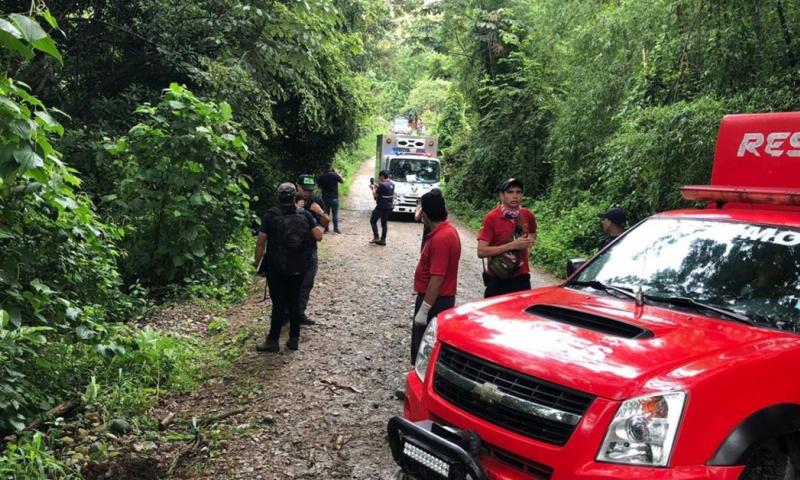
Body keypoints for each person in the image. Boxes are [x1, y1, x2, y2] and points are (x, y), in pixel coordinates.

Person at [254, 182, 322, 352]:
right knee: (293, 300)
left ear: (278, 197)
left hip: (276, 266)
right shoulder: (305, 214)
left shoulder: (270, 216)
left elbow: (261, 242)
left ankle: (272, 341)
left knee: (278, 303)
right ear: (294, 197)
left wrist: (258, 264)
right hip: (299, 265)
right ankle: (293, 339)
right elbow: (318, 236)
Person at [411, 191, 461, 363]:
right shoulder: (449, 230)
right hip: (439, 299)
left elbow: (437, 278)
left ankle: (419, 385)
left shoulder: (441, 239)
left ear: (424, 214)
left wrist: (424, 309)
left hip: (435, 300)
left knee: (425, 346)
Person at [477, 178, 537, 298]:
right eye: (510, 192)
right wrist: (512, 245)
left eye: (518, 192)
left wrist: (526, 250)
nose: (515, 196)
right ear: (502, 196)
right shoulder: (492, 218)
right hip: (498, 278)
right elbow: (481, 251)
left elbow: (533, 233)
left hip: (521, 278)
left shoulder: (527, 215)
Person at [296, 174, 330, 325]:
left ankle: (300, 313)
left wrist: (320, 212)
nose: (307, 193)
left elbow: (326, 223)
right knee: (291, 283)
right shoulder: (291, 197)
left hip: (310, 247)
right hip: (292, 248)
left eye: (310, 190)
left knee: (307, 282)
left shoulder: (317, 200)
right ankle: (284, 314)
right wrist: (297, 209)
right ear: (298, 187)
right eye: (304, 190)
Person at [369, 170, 395, 246]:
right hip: (388, 207)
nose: (380, 178)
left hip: (380, 207)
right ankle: (383, 240)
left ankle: (376, 237)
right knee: (384, 224)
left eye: (380, 177)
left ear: (382, 176)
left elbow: (375, 196)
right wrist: (377, 186)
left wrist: (373, 189)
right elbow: (385, 190)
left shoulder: (382, 185)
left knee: (373, 221)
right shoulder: (392, 184)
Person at [317, 165, 344, 234]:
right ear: (331, 167)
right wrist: (336, 173)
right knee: (335, 214)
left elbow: (319, 186)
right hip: (334, 197)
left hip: (325, 198)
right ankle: (336, 229)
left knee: (326, 214)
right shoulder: (334, 175)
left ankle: (326, 229)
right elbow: (342, 181)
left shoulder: (321, 176)